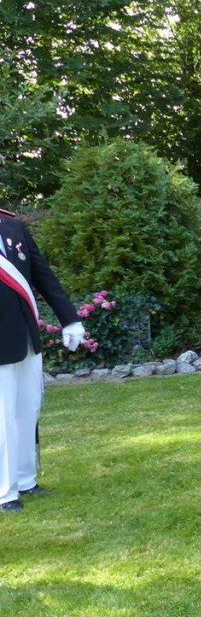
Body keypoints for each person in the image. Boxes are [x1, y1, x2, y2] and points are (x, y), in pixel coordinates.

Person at [1, 208, 85, 513]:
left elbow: (42, 274)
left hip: (25, 335)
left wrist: (70, 319)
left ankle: (25, 479)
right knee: (2, 418)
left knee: (28, 409)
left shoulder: (13, 227)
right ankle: (5, 492)